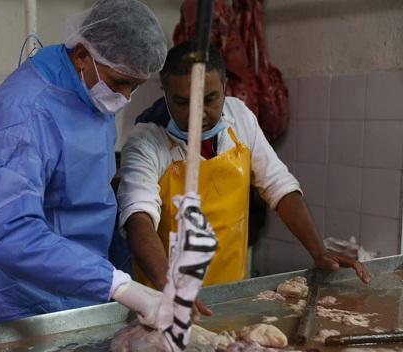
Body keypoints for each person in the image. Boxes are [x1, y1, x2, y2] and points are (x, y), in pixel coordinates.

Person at [0, 0, 168, 327]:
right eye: (119, 83)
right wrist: (116, 284)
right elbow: (9, 231)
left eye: (135, 86)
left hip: (84, 292)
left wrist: (123, 271)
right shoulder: (25, 113)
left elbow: (90, 200)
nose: (125, 97)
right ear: (82, 56)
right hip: (26, 306)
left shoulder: (90, 94)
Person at [117, 40, 371, 292]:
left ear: (226, 87)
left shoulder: (239, 117)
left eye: (210, 99)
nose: (198, 113)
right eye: (183, 102)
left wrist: (319, 251)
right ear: (165, 93)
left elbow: (278, 185)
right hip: (164, 297)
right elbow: (138, 216)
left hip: (232, 293)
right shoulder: (145, 141)